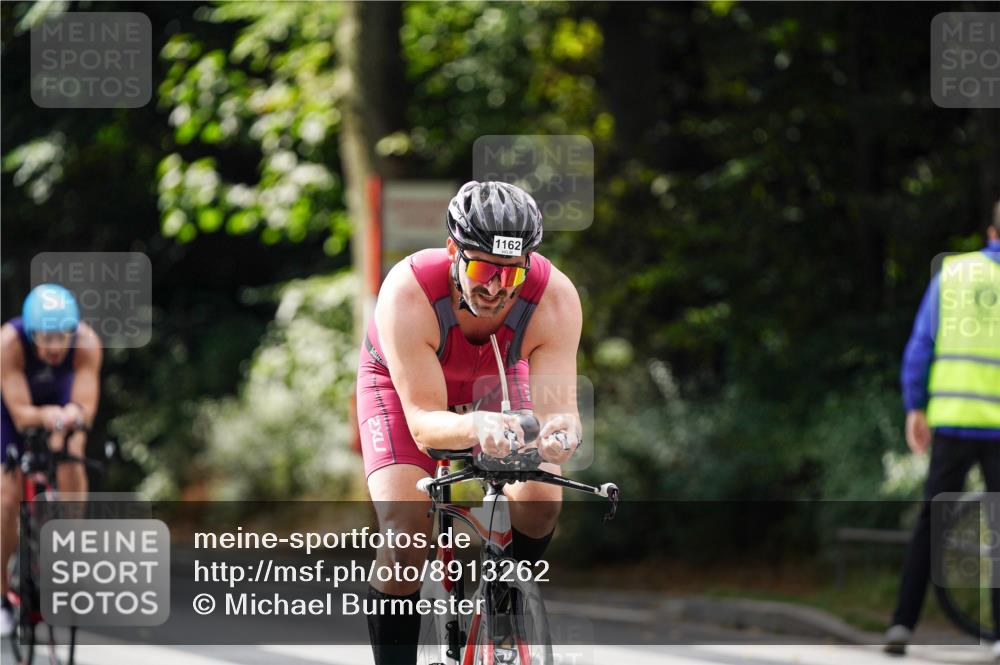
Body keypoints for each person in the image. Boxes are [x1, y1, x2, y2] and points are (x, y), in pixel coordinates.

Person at [356, 180, 583, 664]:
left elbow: (560, 411)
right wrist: (478, 427)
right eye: (482, 268)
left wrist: (561, 434)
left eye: (511, 273)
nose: (496, 288)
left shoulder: (554, 298)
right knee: (404, 536)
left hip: (498, 375)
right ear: (452, 251)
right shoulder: (410, 289)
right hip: (405, 386)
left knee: (543, 499)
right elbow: (423, 423)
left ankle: (504, 610)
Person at [885, 200, 1000, 656]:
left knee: (930, 522)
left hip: (951, 421)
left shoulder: (953, 274)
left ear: (991, 233)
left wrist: (915, 407)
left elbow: (920, 343)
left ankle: (901, 625)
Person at [0, 284, 102, 636]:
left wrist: (70, 419)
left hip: (61, 401)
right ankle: (1, 597)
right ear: (32, 334)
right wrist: (50, 418)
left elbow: (85, 406)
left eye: (64, 337)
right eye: (48, 338)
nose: (57, 346)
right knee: (8, 495)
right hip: (16, 409)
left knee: (72, 454)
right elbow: (22, 416)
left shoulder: (86, 343)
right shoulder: (9, 344)